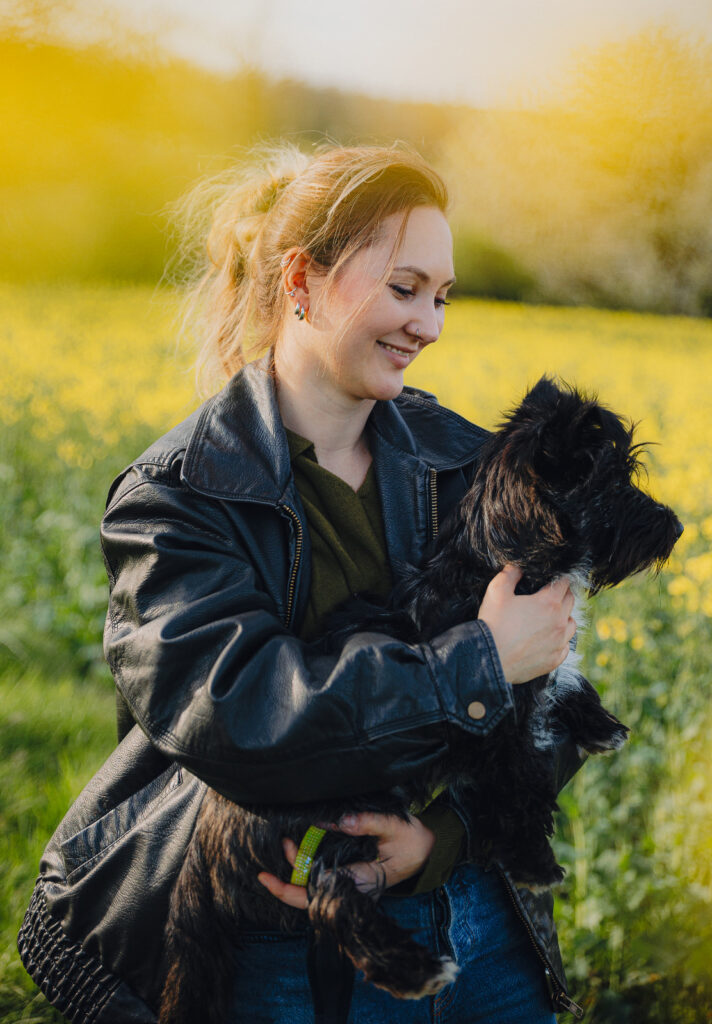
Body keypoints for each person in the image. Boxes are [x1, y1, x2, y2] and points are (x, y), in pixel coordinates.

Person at [19, 142, 584, 1023]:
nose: (429, 326)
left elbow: (559, 696)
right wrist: (479, 663)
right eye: (404, 288)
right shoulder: (177, 496)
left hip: (481, 925)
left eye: (441, 297)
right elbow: (240, 719)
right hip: (279, 944)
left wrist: (443, 838)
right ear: (300, 282)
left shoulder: (468, 465)